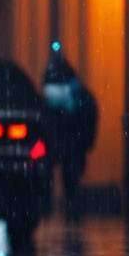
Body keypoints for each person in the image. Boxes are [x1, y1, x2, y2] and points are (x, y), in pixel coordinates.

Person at [41, 43, 97, 218]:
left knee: (61, 174)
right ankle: (71, 206)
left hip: (65, 140)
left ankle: (58, 205)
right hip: (71, 141)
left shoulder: (52, 78)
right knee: (69, 176)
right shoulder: (73, 85)